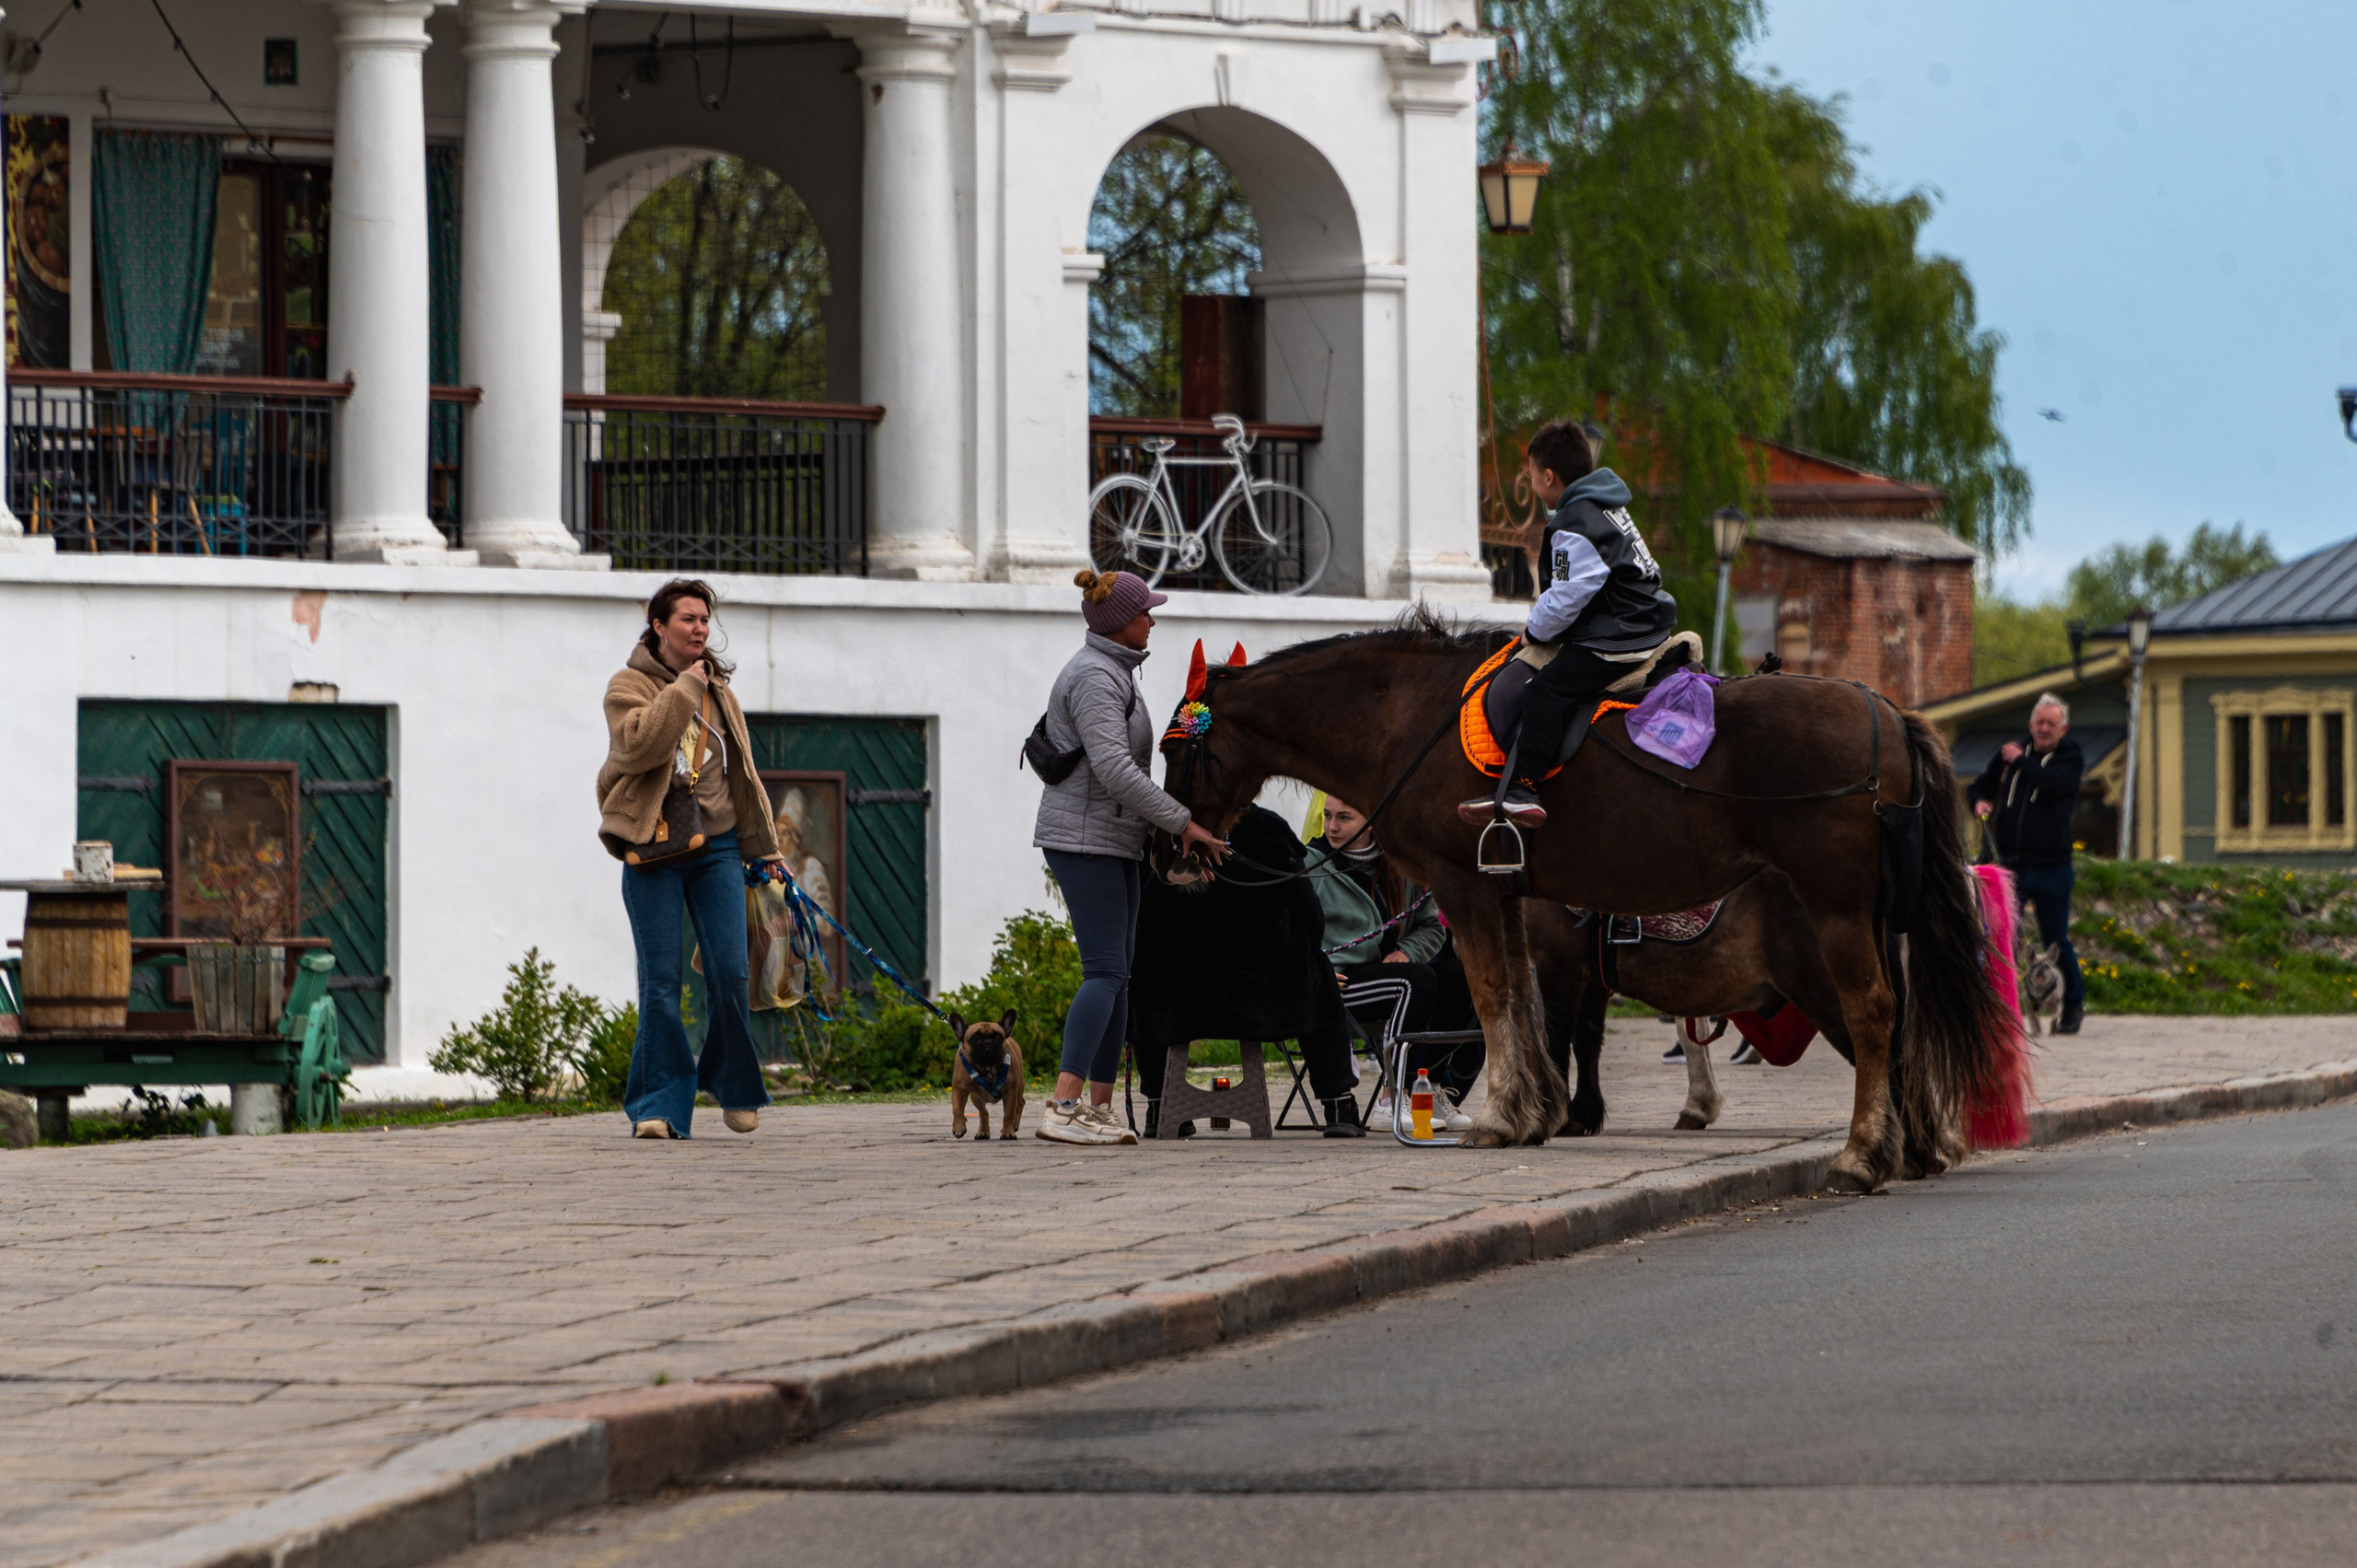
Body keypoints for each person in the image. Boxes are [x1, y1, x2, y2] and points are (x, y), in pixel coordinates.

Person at [1033, 569, 1229, 1145]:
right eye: (1146, 612)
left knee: (1119, 978)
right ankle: (1063, 1107)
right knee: (1105, 973)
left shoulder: (1116, 669)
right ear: (1120, 622)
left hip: (1113, 839)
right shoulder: (1095, 677)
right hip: (1083, 840)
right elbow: (1116, 771)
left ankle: (1096, 1109)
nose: (1153, 620)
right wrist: (1183, 822)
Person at [597, 578, 787, 1138]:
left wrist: (767, 851)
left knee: (730, 971)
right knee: (660, 980)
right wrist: (681, 689)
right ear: (659, 626)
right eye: (687, 619)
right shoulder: (627, 685)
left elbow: (741, 775)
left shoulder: (721, 692)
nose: (700, 628)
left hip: (720, 848)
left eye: (705, 619)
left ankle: (733, 1086)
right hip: (654, 846)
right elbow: (637, 748)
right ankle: (657, 1107)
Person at [1461, 421, 1678, 827]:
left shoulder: (1575, 521)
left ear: (1547, 477)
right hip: (1648, 622)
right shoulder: (1607, 505)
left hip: (1619, 635)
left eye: (1530, 475)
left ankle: (1522, 788)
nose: (1530, 482)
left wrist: (1534, 632)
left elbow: (1565, 598)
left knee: (1544, 691)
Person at [1129, 804, 1366, 1137]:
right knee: (1320, 973)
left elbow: (1138, 913)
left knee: (1143, 973)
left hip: (1176, 993)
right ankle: (1339, 1103)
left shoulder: (1160, 830)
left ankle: (1159, 1105)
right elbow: (1309, 916)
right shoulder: (1267, 827)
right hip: (1266, 993)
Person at [1312, 796, 1480, 1128]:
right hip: (1335, 984)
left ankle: (1426, 1091)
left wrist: (1405, 952)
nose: (1332, 827)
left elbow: (1432, 926)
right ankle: (1391, 1098)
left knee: (1461, 975)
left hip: (1390, 975)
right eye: (1327, 816)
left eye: (1344, 818)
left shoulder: (1400, 864)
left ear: (1373, 821)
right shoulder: (1311, 865)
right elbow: (1285, 931)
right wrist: (1313, 969)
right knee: (1416, 980)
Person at [1970, 691, 2085, 1034]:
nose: (2045, 729)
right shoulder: (2009, 756)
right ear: (2030, 725)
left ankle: (2072, 1008)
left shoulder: (2070, 758)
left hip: (2053, 866)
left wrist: (2020, 761)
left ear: (2063, 729)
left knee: (2056, 941)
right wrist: (1979, 802)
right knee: (2005, 939)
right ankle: (1999, 1008)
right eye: (2040, 722)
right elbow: (1978, 787)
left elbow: (2051, 786)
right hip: (2011, 866)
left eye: (2052, 723)